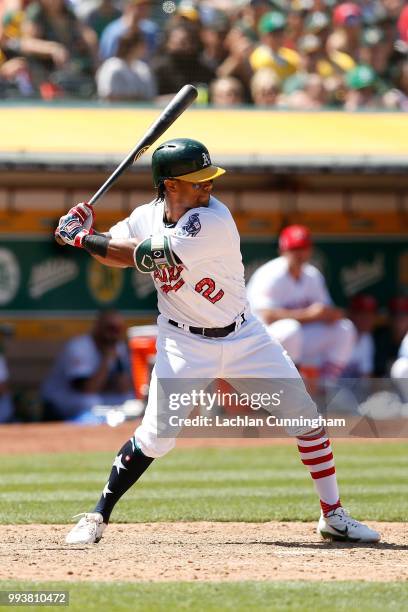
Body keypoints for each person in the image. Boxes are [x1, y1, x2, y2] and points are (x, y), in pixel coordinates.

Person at [55, 138, 379, 545]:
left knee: (308, 422)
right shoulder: (146, 216)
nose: (207, 187)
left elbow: (143, 257)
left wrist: (80, 237)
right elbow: (113, 253)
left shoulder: (214, 220)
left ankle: (333, 516)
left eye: (209, 179)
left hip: (245, 336)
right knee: (156, 437)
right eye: (197, 181)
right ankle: (98, 515)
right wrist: (84, 231)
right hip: (182, 342)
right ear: (170, 185)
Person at [246, 224, 356, 381]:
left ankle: (328, 385)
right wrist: (309, 315)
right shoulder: (270, 275)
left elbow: (325, 310)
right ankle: (294, 383)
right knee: (291, 328)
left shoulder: (312, 275)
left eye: (303, 248)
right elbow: (267, 316)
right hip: (260, 340)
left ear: (310, 250)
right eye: (294, 249)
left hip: (298, 339)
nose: (299, 254)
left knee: (344, 328)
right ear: (283, 250)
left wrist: (331, 314)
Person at [41, 309, 135, 423]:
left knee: (129, 399)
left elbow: (123, 388)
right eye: (110, 328)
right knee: (90, 402)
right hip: (61, 397)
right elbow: (87, 388)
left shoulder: (119, 348)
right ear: (98, 326)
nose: (113, 334)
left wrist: (117, 360)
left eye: (118, 329)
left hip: (98, 395)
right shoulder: (79, 347)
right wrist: (107, 359)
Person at [96, 30, 156, 101]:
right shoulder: (112, 67)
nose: (145, 49)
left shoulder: (143, 68)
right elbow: (109, 96)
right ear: (132, 47)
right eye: (142, 45)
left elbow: (151, 97)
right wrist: (137, 98)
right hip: (114, 111)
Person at [343, 294, 378, 378]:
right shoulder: (341, 334)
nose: (367, 318)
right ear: (351, 314)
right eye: (362, 314)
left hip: (353, 389)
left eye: (370, 314)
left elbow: (365, 376)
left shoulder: (366, 338)